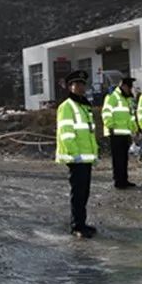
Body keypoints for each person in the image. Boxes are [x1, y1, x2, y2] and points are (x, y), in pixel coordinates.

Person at [56, 70, 98, 238]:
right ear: (70, 87)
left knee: (84, 192)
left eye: (82, 84)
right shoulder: (67, 106)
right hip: (76, 157)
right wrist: (75, 154)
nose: (80, 87)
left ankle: (82, 222)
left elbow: (88, 133)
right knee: (78, 193)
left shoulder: (84, 106)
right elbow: (66, 133)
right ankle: (77, 226)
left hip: (85, 157)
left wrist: (94, 154)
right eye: (77, 84)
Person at [102, 76, 138, 188]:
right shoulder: (112, 97)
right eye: (129, 87)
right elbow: (106, 113)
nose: (130, 89)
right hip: (115, 133)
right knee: (118, 159)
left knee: (124, 158)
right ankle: (118, 180)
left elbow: (131, 116)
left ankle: (124, 179)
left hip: (125, 133)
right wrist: (110, 126)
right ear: (123, 86)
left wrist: (134, 129)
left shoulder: (127, 99)